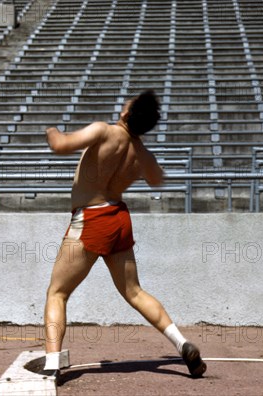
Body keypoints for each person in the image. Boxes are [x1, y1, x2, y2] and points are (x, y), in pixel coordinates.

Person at [41, 90, 206, 379]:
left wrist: (50, 129)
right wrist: (138, 157)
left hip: (91, 218)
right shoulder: (142, 153)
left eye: (128, 103)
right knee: (134, 291)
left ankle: (53, 365)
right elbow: (157, 179)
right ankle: (182, 344)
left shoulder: (103, 131)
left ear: (127, 114)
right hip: (119, 218)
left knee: (57, 293)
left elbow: (60, 145)